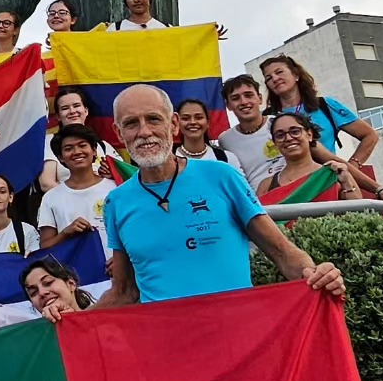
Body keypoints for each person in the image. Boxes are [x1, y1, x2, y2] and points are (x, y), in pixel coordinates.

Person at [96, 85, 346, 310]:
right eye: (131, 123)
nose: (144, 131)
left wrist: (315, 274)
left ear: (173, 124)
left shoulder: (221, 176)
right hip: (165, 340)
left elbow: (281, 252)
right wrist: (74, 323)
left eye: (153, 119)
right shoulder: (116, 202)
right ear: (119, 132)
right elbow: (124, 292)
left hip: (236, 333)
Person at [261, 54, 379, 168]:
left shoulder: (325, 105)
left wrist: (351, 167)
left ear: (296, 75)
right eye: (269, 78)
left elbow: (370, 135)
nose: (275, 79)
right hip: (288, 180)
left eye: (279, 72)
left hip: (327, 177)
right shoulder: (267, 118)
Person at [37, 127, 114, 266]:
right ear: (60, 157)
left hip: (118, 272)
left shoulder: (115, 189)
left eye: (82, 145)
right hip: (74, 275)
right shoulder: (51, 198)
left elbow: (134, 233)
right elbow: (44, 248)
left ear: (94, 150)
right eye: (68, 148)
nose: (77, 152)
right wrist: (66, 233)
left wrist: (121, 261)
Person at [258, 112, 361, 203]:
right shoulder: (266, 186)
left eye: (295, 131)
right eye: (280, 135)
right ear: (275, 143)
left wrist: (346, 181)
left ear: (309, 135)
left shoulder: (335, 174)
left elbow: (357, 211)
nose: (288, 138)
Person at [218, 74, 287, 189]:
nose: (244, 102)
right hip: (258, 199)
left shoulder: (281, 123)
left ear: (260, 98)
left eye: (248, 95)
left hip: (294, 192)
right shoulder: (225, 140)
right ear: (228, 105)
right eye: (235, 98)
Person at [51, 86, 118, 177]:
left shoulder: (103, 146)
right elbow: (46, 182)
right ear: (58, 116)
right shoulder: (48, 142)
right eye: (65, 108)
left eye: (76, 106)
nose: (72, 111)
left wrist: (111, 176)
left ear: (86, 111)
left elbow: (124, 178)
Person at [176, 98, 245, 175]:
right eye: (185, 118)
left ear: (208, 122)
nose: (192, 122)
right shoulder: (169, 160)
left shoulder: (226, 158)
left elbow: (239, 183)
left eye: (199, 117)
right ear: (176, 123)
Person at [20, 257, 93, 321]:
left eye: (48, 282)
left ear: (71, 284)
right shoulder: (35, 332)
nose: (41, 293)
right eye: (33, 292)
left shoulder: (99, 316)